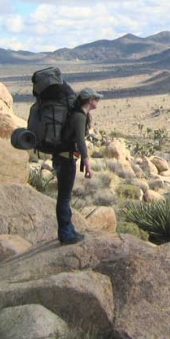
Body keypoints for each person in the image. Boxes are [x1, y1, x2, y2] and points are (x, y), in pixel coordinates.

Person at [54, 87, 102, 245]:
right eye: (96, 98)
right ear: (89, 100)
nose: (98, 101)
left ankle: (68, 229)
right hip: (65, 159)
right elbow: (81, 141)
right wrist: (87, 162)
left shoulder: (78, 115)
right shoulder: (79, 117)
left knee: (64, 197)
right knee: (64, 198)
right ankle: (65, 233)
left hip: (64, 158)